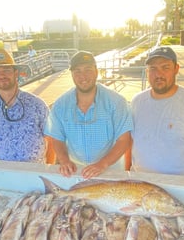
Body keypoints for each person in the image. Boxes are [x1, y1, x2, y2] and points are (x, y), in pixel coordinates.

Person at [45, 51, 133, 179]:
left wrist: (102, 164)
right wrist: (64, 161)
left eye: (88, 70)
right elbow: (57, 138)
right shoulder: (60, 104)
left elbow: (124, 140)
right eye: (77, 71)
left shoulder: (117, 102)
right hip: (75, 171)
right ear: (72, 75)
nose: (83, 76)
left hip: (109, 170)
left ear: (97, 72)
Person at [128, 46, 184, 176]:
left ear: (176, 69)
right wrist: (126, 174)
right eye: (153, 69)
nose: (159, 74)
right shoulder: (136, 102)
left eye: (165, 67)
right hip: (140, 184)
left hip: (180, 185)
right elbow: (129, 141)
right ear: (147, 72)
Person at [0, 48, 52, 163]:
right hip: (4, 174)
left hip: (35, 174)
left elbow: (53, 139)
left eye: (6, 70)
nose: (2, 75)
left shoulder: (37, 105)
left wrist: (48, 170)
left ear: (16, 73)